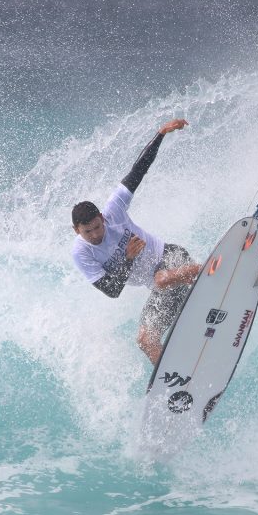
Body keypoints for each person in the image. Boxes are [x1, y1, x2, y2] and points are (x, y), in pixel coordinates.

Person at [71, 119, 200, 364]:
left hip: (170, 258)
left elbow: (137, 171)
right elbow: (111, 290)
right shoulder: (81, 254)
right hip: (159, 286)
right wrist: (128, 259)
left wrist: (160, 134)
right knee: (145, 340)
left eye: (98, 227)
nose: (96, 234)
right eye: (88, 232)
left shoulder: (113, 211)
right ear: (77, 231)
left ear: (101, 218)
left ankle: (215, 268)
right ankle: (175, 382)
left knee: (162, 277)